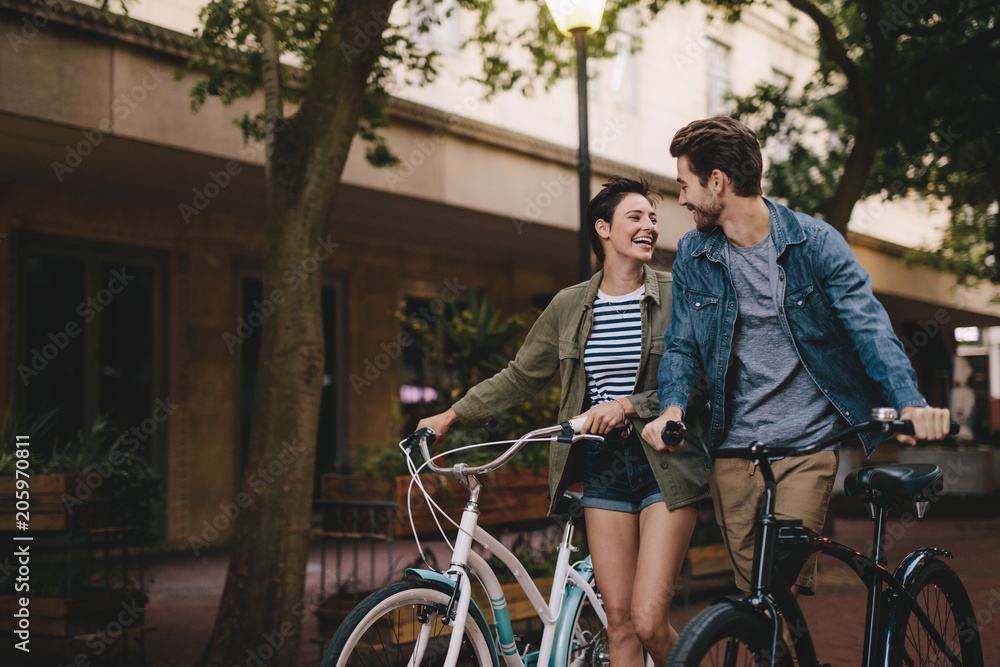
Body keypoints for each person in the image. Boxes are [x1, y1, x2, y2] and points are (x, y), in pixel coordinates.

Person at [642, 117, 951, 601]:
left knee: (775, 588)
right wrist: (672, 407)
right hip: (730, 453)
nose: (681, 199)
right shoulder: (693, 255)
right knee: (755, 602)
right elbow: (681, 344)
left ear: (717, 182)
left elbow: (867, 325)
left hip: (805, 449)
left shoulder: (815, 243)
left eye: (685, 185)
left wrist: (907, 402)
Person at [418, 177, 708, 666]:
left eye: (653, 219)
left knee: (648, 620)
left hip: (665, 464)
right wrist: (451, 414)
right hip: (603, 468)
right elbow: (518, 377)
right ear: (603, 228)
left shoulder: (677, 294)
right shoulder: (569, 305)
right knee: (618, 625)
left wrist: (629, 405)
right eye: (635, 217)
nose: (649, 227)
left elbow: (700, 380)